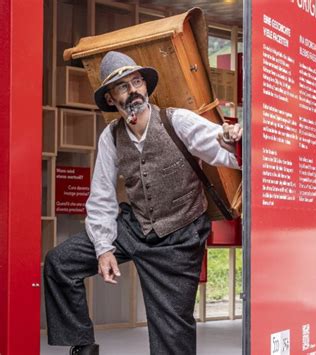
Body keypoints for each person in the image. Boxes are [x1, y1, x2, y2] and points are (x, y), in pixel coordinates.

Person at [44, 51, 242, 355]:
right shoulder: (110, 136)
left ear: (146, 87)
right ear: (111, 99)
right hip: (135, 228)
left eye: (137, 81)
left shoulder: (177, 121)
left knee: (171, 335)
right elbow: (101, 197)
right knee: (60, 263)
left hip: (179, 236)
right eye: (123, 86)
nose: (134, 90)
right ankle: (83, 346)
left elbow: (224, 150)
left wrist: (232, 137)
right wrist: (104, 248)